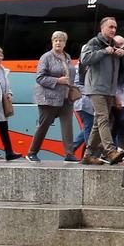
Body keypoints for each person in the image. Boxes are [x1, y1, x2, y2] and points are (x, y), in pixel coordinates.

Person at [79, 19, 124, 165]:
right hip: (96, 88)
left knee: (97, 122)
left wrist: (123, 54)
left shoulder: (114, 44)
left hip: (109, 89)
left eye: (115, 27)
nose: (113, 30)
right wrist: (104, 52)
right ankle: (110, 151)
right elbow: (85, 59)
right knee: (103, 118)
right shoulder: (94, 43)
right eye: (110, 27)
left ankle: (88, 155)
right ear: (102, 28)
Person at [29, 31, 76, 161]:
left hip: (66, 97)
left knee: (68, 126)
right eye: (55, 40)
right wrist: (57, 81)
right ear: (52, 42)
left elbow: (70, 75)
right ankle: (32, 152)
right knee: (44, 125)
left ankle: (69, 154)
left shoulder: (67, 57)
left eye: (61, 40)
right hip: (49, 98)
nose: (58, 42)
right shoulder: (46, 57)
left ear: (65, 43)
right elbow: (39, 77)